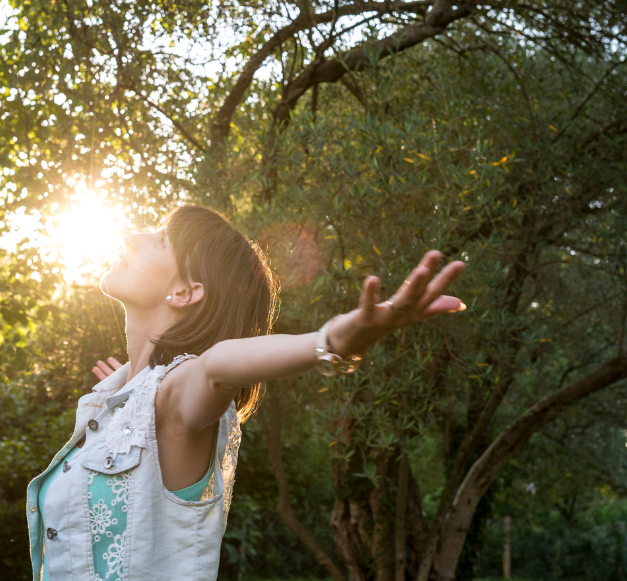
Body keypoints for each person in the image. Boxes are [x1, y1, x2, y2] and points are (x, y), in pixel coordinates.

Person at [25, 205, 464, 581]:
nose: (131, 236)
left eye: (160, 240)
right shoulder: (113, 402)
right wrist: (123, 392)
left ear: (185, 292)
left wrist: (330, 340)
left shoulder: (176, 393)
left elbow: (216, 366)